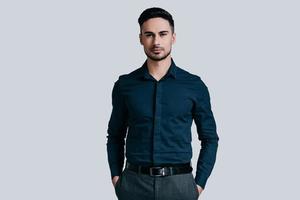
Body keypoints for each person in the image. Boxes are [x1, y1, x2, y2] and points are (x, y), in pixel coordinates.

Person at [106, 7, 219, 200]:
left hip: (179, 185)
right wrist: (117, 178)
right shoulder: (125, 85)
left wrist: (198, 184)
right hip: (134, 185)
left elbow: (210, 138)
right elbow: (115, 135)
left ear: (173, 37)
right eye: (149, 35)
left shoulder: (194, 85)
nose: (156, 41)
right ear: (140, 38)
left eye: (162, 34)